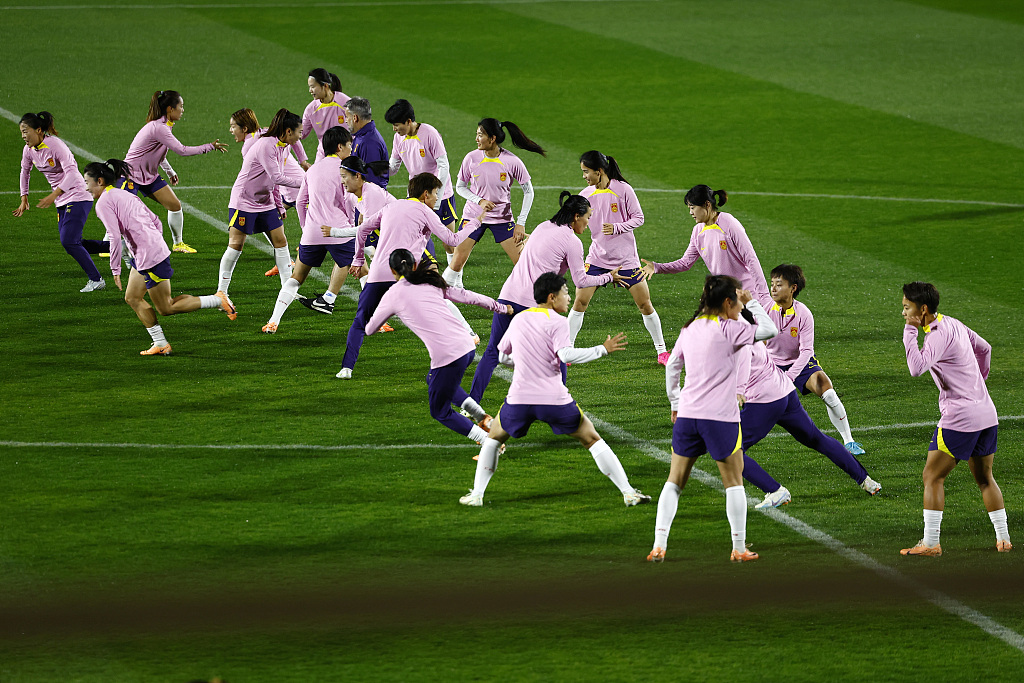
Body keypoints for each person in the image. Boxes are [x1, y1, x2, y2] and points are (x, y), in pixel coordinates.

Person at [459, 272, 651, 508]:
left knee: (493, 439)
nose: (569, 297)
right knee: (592, 439)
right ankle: (628, 492)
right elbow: (565, 355)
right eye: (565, 292)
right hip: (554, 399)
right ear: (552, 297)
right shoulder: (558, 322)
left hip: (520, 399)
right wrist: (602, 349)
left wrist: (527, 360)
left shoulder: (519, 319)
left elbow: (501, 356)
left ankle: (477, 495)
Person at [649, 275, 778, 564]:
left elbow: (672, 365)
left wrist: (675, 402)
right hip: (720, 418)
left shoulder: (689, 328)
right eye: (736, 301)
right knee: (733, 482)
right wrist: (752, 303)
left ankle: (659, 545)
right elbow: (770, 330)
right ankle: (739, 548)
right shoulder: (732, 329)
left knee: (674, 481)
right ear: (728, 302)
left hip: (688, 415)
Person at [469, 192, 623, 404]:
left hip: (508, 296)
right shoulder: (572, 241)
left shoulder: (542, 226)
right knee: (556, 354)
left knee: (492, 353)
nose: (589, 223)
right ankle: (562, 403)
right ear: (576, 216)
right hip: (534, 306)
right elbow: (581, 282)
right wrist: (608, 277)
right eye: (588, 217)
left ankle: (471, 403)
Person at [900, 282, 1011, 556]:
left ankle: (930, 543)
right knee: (985, 477)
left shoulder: (936, 335)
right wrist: (978, 383)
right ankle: (1004, 538)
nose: (903, 313)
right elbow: (985, 349)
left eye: (906, 308)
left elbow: (916, 368)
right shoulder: (953, 323)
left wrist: (909, 332)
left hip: (960, 419)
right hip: (987, 413)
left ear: (922, 309)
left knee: (932, 476)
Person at [83, 159, 234, 355]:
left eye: (87, 182)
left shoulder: (103, 202)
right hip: (147, 252)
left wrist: (116, 269)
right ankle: (160, 343)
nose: (86, 188)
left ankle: (217, 300)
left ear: (100, 181)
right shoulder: (124, 193)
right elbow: (155, 220)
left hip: (149, 256)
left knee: (166, 307)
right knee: (132, 297)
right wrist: (151, 243)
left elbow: (113, 236)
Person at [336, 173, 474, 379]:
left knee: (359, 322)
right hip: (406, 279)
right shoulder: (426, 212)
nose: (437, 198)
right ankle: (447, 360)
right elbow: (451, 239)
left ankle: (346, 368)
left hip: (378, 274)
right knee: (432, 319)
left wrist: (357, 260)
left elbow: (362, 229)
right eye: (436, 194)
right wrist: (475, 224)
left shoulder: (391, 207)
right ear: (425, 194)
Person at [365, 249, 508, 444]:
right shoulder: (430, 282)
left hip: (448, 356)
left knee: (440, 411)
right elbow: (467, 296)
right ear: (415, 265)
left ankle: (488, 441)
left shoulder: (393, 294)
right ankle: (482, 418)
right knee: (432, 379)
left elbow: (370, 329)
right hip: (467, 345)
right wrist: (500, 307)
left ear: (392, 271)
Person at [736, 339, 881, 511]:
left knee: (731, 450)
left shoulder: (723, 338)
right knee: (816, 438)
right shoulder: (748, 325)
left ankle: (774, 490)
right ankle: (866, 480)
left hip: (764, 400)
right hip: (784, 390)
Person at [568, 151, 668, 364]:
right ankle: (567, 350)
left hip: (626, 260)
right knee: (580, 302)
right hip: (597, 259)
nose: (584, 176)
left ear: (599, 171)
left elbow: (639, 218)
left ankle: (662, 351)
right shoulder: (585, 195)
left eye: (586, 172)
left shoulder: (623, 190)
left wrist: (617, 227)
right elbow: (572, 221)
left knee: (644, 304)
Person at [766, 264, 866, 455]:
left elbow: (806, 351)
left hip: (799, 362)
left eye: (779, 284)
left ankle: (849, 441)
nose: (773, 288)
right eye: (772, 284)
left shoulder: (803, 314)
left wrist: (791, 375)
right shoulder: (764, 309)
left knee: (827, 391)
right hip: (771, 362)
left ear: (793, 288)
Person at [263, 126, 355, 333]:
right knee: (356, 265)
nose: (351, 149)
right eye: (349, 145)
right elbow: (348, 200)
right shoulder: (345, 169)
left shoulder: (312, 170)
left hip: (312, 233)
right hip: (338, 231)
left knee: (296, 278)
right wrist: (349, 223)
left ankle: (273, 320)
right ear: (340, 147)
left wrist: (306, 228)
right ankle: (373, 316)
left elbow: (300, 202)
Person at [214, 109, 304, 312]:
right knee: (236, 245)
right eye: (298, 132)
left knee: (281, 242)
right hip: (244, 201)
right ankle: (221, 292)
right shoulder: (266, 145)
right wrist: (307, 182)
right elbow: (277, 178)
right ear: (288, 131)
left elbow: (276, 178)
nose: (300, 136)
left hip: (266, 201)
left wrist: (279, 205)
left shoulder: (284, 146)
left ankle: (286, 290)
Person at [441, 118, 544, 289]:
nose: (476, 139)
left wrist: (521, 223)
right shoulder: (471, 158)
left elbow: (529, 191)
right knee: (456, 263)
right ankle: (444, 295)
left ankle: (534, 302)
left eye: (480, 135)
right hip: (474, 216)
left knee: (523, 264)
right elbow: (460, 187)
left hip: (502, 219)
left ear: (492, 138)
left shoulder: (512, 161)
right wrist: (479, 201)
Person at [122, 90, 228, 253]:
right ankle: (108, 245)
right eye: (181, 106)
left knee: (175, 205)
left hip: (149, 176)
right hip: (130, 175)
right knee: (123, 210)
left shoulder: (164, 126)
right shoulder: (159, 128)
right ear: (170, 109)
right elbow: (182, 150)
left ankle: (178, 244)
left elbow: (156, 152)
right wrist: (210, 147)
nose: (183, 110)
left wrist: (169, 171)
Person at [14, 111, 109, 292]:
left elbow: (73, 173)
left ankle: (96, 279)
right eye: (21, 132)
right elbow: (24, 171)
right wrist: (23, 197)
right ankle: (119, 247)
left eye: (26, 131)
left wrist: (53, 194)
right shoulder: (29, 151)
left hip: (79, 194)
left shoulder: (55, 145)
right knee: (75, 243)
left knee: (69, 241)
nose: (23, 136)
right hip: (62, 199)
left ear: (39, 130)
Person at [641, 186, 771, 307]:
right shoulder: (698, 231)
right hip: (723, 296)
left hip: (746, 294)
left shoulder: (729, 224)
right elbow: (685, 263)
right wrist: (657, 267)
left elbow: (750, 258)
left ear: (707, 205)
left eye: (692, 207)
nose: (691, 213)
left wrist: (764, 295)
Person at [303, 155, 395, 314]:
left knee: (412, 279)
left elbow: (364, 229)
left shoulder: (370, 193)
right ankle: (376, 314)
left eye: (344, 177)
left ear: (357, 176)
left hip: (405, 237)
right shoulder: (356, 194)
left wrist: (335, 232)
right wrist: (358, 256)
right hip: (390, 238)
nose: (342, 181)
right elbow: (361, 228)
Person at [384, 99, 459, 265]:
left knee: (448, 243)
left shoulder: (429, 134)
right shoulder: (398, 138)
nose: (394, 129)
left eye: (397, 125)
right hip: (416, 197)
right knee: (416, 238)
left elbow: (444, 165)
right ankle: (421, 272)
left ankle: (455, 279)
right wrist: (374, 169)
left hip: (440, 195)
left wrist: (437, 199)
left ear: (409, 121)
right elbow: (393, 167)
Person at [300, 68, 351, 163]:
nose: (310, 90)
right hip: (323, 154)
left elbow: (358, 127)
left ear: (325, 86)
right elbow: (301, 134)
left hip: (346, 153)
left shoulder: (345, 103)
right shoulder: (311, 109)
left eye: (313, 87)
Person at [345, 97, 389, 189]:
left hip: (371, 198)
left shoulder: (369, 143)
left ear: (355, 118)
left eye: (347, 117)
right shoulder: (361, 136)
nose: (345, 121)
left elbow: (371, 183)